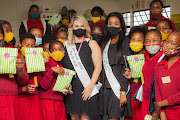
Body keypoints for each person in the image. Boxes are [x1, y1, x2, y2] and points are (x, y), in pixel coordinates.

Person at [62, 14, 102, 120]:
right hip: (72, 89)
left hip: (87, 87)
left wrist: (90, 87)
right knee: (74, 118)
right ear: (71, 28)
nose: (79, 28)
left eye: (82, 26)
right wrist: (65, 83)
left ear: (86, 27)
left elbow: (98, 67)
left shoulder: (91, 43)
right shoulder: (66, 45)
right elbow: (62, 67)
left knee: (86, 117)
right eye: (76, 26)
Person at [99, 12, 132, 120]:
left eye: (116, 24)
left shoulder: (125, 41)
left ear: (121, 26)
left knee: (113, 118)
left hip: (117, 87)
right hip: (105, 88)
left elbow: (126, 68)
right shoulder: (105, 42)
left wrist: (122, 91)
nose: (112, 26)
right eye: (110, 23)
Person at [0, 26, 28, 120]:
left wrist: (20, 69)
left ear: (3, 37)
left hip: (9, 97)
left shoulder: (12, 53)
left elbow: (23, 81)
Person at [152, 31, 180, 120]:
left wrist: (161, 104)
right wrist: (162, 113)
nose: (168, 45)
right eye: (167, 41)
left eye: (173, 43)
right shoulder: (159, 66)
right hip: (163, 112)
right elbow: (158, 92)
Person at [39, 40, 68, 120]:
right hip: (48, 100)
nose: (58, 52)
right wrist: (51, 70)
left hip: (60, 99)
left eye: (60, 49)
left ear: (64, 51)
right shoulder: (45, 63)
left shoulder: (62, 65)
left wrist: (66, 88)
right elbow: (44, 85)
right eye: (54, 50)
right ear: (49, 51)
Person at [17, 33, 43, 120]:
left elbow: (39, 79)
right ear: (20, 44)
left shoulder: (36, 57)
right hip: (20, 97)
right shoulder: (14, 58)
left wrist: (43, 64)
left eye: (32, 46)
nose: (30, 48)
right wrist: (24, 89)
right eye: (27, 45)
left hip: (35, 95)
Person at [124, 25, 148, 120]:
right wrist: (129, 76)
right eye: (133, 39)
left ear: (144, 41)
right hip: (132, 93)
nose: (136, 42)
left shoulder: (148, 55)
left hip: (145, 95)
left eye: (139, 40)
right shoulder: (128, 57)